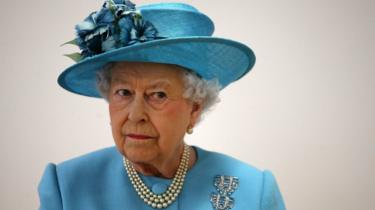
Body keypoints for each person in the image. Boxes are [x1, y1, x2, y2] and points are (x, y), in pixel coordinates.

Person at [38, 0, 286, 209]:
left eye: (157, 95)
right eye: (123, 92)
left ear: (195, 108)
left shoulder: (255, 191)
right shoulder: (66, 187)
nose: (135, 115)